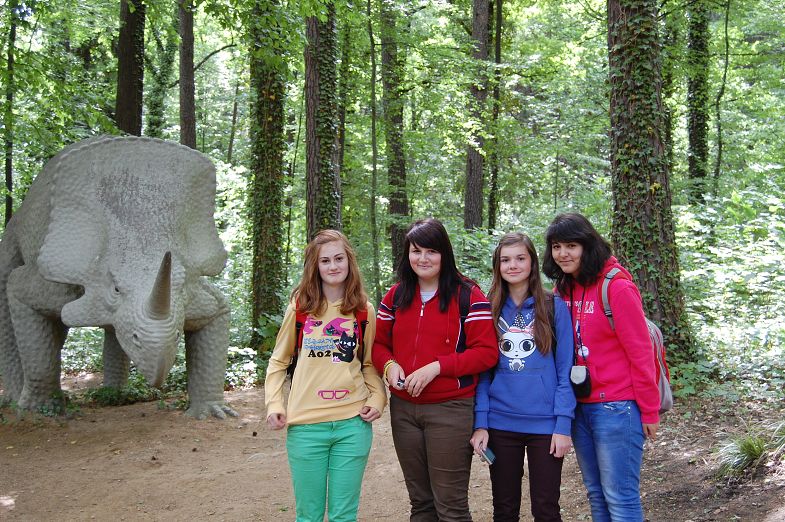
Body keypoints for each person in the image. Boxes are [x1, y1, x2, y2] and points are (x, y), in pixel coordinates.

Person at [372, 218, 498, 522]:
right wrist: (389, 365)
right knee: (421, 504)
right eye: (416, 251)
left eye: (432, 251)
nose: (423, 258)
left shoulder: (468, 295)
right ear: (407, 254)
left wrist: (437, 367)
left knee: (451, 508)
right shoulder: (396, 295)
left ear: (445, 253)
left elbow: (487, 353)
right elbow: (378, 344)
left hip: (450, 410)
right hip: (404, 411)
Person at [542, 212, 660, 522]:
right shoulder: (563, 289)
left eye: (571, 246)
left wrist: (649, 410)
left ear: (588, 245)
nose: (563, 254)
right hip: (580, 406)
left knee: (620, 498)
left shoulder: (616, 287)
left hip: (616, 407)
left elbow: (641, 353)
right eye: (556, 246)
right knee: (596, 495)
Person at [265, 229, 387, 522]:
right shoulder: (300, 308)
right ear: (315, 266)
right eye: (325, 261)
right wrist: (275, 404)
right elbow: (278, 361)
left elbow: (368, 364)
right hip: (306, 426)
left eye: (339, 259)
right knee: (309, 516)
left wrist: (378, 399)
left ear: (349, 261)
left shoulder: (363, 310)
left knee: (344, 516)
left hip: (352, 425)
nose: (333, 266)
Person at [470, 232, 576, 522]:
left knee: (546, 508)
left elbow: (565, 371)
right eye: (505, 260)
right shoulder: (487, 308)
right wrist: (481, 423)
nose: (513, 265)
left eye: (520, 258)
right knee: (504, 509)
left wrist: (563, 424)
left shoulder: (553, 306)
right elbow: (483, 374)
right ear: (497, 265)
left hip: (546, 425)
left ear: (532, 262)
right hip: (501, 423)